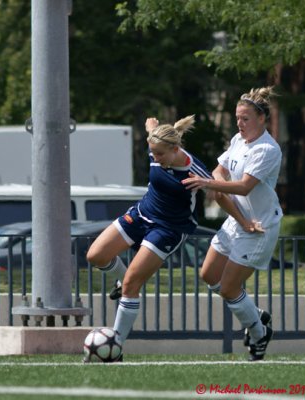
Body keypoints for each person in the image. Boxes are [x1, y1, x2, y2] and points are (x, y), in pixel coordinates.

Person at [86, 115, 260, 360]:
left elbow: (220, 196)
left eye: (159, 155)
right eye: (152, 153)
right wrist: (150, 127)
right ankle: (124, 280)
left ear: (175, 149)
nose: (154, 159)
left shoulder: (193, 169)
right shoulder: (158, 146)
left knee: (131, 287)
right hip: (141, 214)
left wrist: (244, 222)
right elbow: (155, 133)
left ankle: (115, 346)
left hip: (169, 228)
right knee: (95, 255)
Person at [182, 87, 283, 361]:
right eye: (238, 117)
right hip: (235, 221)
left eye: (246, 118)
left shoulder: (268, 149)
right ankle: (254, 313)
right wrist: (216, 180)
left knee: (228, 289)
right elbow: (220, 169)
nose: (240, 123)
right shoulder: (238, 139)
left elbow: (244, 187)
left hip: (258, 227)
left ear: (262, 118)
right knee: (208, 276)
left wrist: (207, 183)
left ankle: (259, 332)